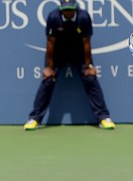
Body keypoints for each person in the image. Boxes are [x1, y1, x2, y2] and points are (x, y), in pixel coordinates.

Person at [23, 0, 115, 131]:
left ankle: (103, 117)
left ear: (76, 8)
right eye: (65, 10)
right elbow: (50, 43)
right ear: (61, 9)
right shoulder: (53, 17)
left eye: (70, 9)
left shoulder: (83, 17)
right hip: (58, 54)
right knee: (48, 80)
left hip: (79, 53)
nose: (68, 12)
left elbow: (86, 43)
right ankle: (34, 118)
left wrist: (88, 66)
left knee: (90, 79)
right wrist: (49, 67)